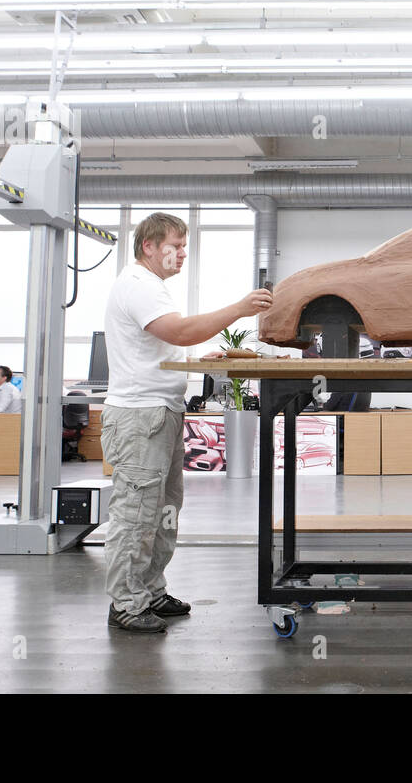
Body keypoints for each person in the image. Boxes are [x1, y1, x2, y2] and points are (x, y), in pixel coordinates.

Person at [103, 212, 274, 633]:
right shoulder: (139, 285)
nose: (182, 254)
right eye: (175, 246)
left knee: (163, 510)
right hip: (139, 416)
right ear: (149, 246)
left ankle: (150, 591)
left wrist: (198, 360)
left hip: (159, 411)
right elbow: (178, 332)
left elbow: (159, 346)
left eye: (184, 247)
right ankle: (126, 603)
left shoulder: (152, 289)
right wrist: (238, 308)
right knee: (137, 513)